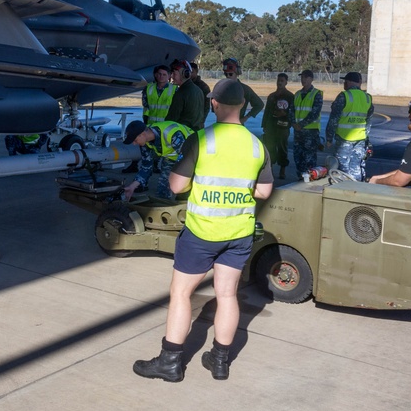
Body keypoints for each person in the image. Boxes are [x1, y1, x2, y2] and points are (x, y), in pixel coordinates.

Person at [133, 78, 273, 383]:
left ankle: (170, 361)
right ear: (243, 105)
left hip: (202, 233)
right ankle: (219, 361)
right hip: (238, 232)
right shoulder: (256, 145)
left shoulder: (202, 139)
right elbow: (263, 191)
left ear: (215, 104)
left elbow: (176, 185)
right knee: (226, 294)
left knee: (181, 293)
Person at [120, 120, 192, 201]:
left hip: (192, 154)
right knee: (163, 191)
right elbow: (146, 167)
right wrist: (132, 187)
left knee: (183, 188)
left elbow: (187, 159)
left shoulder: (172, 134)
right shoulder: (145, 142)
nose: (134, 144)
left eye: (135, 140)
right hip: (172, 156)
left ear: (142, 134)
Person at [325, 71, 374, 181]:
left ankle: (343, 191)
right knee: (356, 167)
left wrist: (329, 138)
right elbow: (368, 121)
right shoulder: (367, 98)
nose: (344, 84)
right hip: (360, 139)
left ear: (348, 82)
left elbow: (334, 119)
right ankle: (356, 190)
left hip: (344, 139)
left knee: (342, 169)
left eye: (345, 81)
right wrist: (365, 138)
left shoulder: (344, 96)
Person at [262, 72, 295, 179]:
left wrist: (285, 114)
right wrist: (264, 124)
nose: (279, 83)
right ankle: (270, 169)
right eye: (278, 80)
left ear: (286, 82)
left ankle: (282, 169)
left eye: (282, 81)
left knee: (282, 148)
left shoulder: (290, 97)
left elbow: (293, 112)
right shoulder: (271, 96)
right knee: (270, 147)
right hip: (271, 126)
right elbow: (266, 111)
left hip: (283, 126)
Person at [292, 69, 324, 176]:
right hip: (298, 133)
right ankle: (300, 178)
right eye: (302, 77)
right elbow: (292, 110)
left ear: (311, 79)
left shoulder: (316, 94)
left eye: (306, 77)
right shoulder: (297, 94)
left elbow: (314, 113)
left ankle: (310, 180)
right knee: (298, 157)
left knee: (309, 159)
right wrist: (293, 123)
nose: (303, 80)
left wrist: (300, 125)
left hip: (310, 132)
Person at [164, 59, 205, 131]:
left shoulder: (181, 93)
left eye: (174, 74)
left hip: (184, 133)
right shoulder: (199, 90)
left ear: (184, 74)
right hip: (197, 133)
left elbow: (171, 119)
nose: (172, 76)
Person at [222, 57, 264, 125]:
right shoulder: (222, 88)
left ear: (237, 73)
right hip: (223, 124)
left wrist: (246, 118)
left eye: (230, 74)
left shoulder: (245, 89)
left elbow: (259, 104)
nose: (228, 76)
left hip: (238, 124)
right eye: (226, 74)